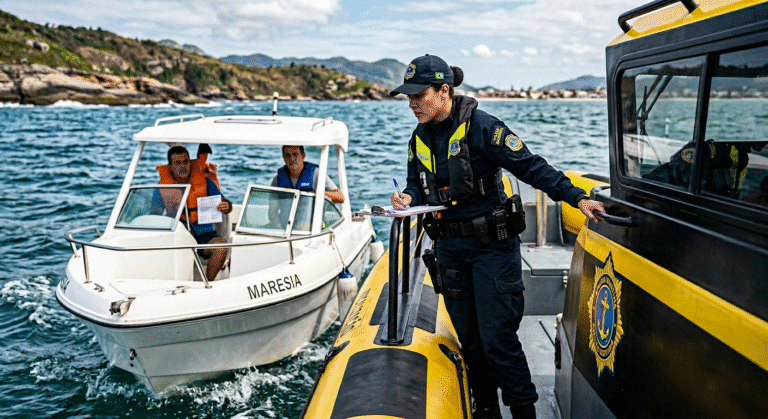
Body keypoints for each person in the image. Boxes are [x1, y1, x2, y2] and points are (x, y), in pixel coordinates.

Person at [389, 54, 605, 419]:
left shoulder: (483, 127)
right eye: (408, 97)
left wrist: (577, 198)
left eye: (419, 95)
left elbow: (531, 166)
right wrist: (407, 197)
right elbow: (415, 183)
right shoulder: (418, 138)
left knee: (498, 340)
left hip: (491, 248)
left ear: (444, 91)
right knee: (470, 341)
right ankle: (486, 409)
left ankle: (523, 412)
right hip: (450, 250)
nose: (412, 104)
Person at [156, 145, 232, 282]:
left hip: (204, 235)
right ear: (171, 167)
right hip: (177, 236)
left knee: (221, 248)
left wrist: (226, 206)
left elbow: (226, 204)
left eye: (185, 162)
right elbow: (153, 213)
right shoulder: (162, 188)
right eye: (177, 163)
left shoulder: (206, 183)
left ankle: (206, 284)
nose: (182, 166)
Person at [271, 145, 345, 203]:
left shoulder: (316, 174)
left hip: (311, 218)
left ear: (303, 156)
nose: (292, 159)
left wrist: (319, 194)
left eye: (295, 154)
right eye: (288, 155)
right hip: (287, 218)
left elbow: (340, 197)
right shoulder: (277, 180)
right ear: (284, 158)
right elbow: (272, 208)